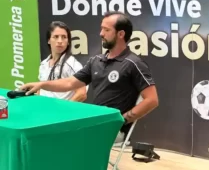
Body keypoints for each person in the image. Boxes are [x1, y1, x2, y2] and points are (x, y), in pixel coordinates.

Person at [20, 12, 159, 136]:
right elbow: (69, 83)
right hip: (95, 122)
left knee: (60, 134)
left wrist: (122, 119)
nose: (101, 33)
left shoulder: (133, 63)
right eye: (101, 29)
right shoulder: (96, 61)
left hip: (111, 127)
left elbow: (152, 100)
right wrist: (41, 84)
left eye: (106, 30)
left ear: (120, 34)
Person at [38, 21, 87, 102]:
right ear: (49, 40)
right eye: (56, 37)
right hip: (45, 112)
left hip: (63, 113)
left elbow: (81, 94)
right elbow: (41, 90)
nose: (60, 41)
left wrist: (64, 111)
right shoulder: (43, 64)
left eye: (64, 37)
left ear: (68, 42)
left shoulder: (73, 65)